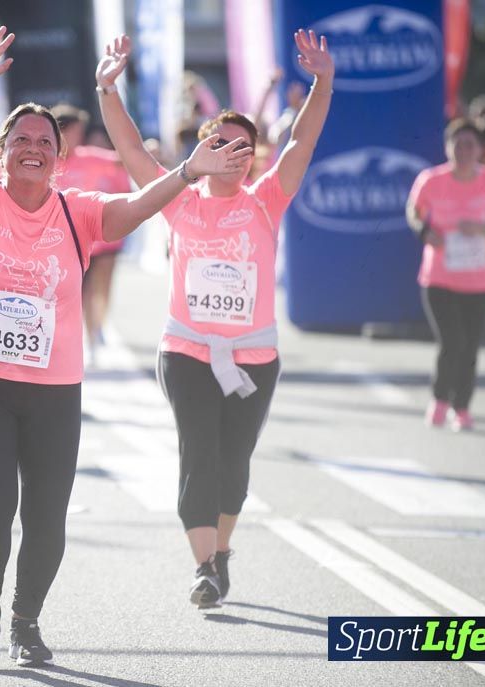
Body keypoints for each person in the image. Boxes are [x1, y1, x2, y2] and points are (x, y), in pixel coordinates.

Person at [0, 25, 252, 666]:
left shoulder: (80, 212)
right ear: (2, 152)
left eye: (45, 142)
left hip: (53, 391)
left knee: (46, 519)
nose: (33, 149)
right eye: (21, 141)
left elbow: (141, 204)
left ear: (59, 157)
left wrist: (187, 171)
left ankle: (25, 621)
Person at [97, 30, 334, 609]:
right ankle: (204, 567)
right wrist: (108, 89)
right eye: (220, 141)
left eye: (242, 144)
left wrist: (322, 81)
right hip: (186, 351)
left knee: (234, 465)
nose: (231, 150)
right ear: (203, 147)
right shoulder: (178, 199)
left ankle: (221, 552)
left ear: (252, 156)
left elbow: (300, 139)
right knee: (196, 454)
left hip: (252, 356)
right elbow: (132, 153)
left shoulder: (266, 199)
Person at [406, 118, 485, 431]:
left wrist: (481, 228)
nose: (464, 150)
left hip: (481, 281)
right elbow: (414, 210)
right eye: (458, 144)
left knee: (470, 345)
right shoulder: (431, 180)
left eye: (470, 144)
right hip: (439, 278)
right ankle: (440, 399)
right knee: (452, 340)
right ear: (447, 147)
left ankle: (462, 407)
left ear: (479, 150)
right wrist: (426, 231)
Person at [51, 104, 132, 361]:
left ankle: (95, 332)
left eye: (80, 132)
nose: (78, 137)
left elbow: (122, 159)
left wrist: (145, 151)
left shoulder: (89, 156)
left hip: (99, 237)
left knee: (98, 288)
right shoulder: (46, 159)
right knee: (71, 292)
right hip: (64, 242)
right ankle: (68, 338)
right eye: (73, 132)